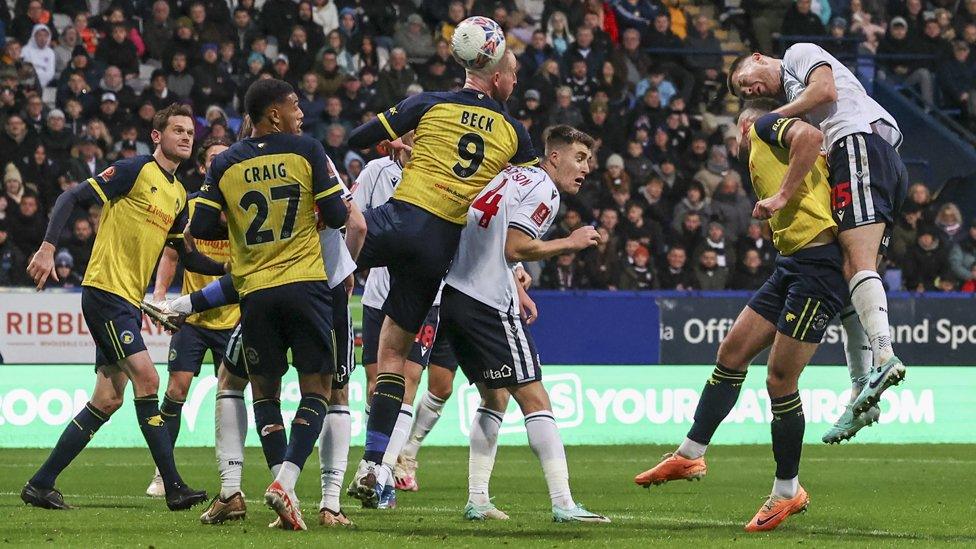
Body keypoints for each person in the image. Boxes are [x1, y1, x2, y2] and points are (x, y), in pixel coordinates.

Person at [634, 102, 874, 531]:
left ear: (743, 125)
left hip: (817, 267)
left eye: (734, 132)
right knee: (731, 352)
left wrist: (781, 194)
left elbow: (811, 135)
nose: (735, 143)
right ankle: (690, 455)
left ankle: (787, 491)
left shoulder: (764, 127)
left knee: (780, 379)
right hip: (790, 264)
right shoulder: (776, 151)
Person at [342, 23, 537, 505]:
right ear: (493, 75)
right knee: (394, 360)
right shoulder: (515, 134)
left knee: (315, 252)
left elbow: (360, 135)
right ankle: (373, 466)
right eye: (512, 73)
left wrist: (398, 139)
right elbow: (529, 196)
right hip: (439, 249)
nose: (515, 82)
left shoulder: (430, 103)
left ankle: (239, 293)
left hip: (399, 219)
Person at [20, 104, 224, 512]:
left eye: (190, 133)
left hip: (127, 300)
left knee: (109, 398)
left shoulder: (178, 195)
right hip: (105, 292)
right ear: (156, 136)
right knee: (148, 380)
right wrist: (47, 246)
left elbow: (188, 257)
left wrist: (234, 271)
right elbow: (69, 196)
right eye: (177, 130)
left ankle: (41, 483)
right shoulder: (133, 170)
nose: (186, 137)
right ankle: (173, 487)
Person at [190, 78, 349, 530]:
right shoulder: (307, 150)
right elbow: (337, 216)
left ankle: (281, 490)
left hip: (255, 292)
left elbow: (203, 225)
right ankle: (286, 483)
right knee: (318, 387)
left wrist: (242, 228)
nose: (301, 111)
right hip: (304, 284)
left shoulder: (224, 162)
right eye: (295, 104)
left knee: (264, 390)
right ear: (274, 114)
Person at [728, 42, 909, 418]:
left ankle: (884, 357)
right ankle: (863, 392)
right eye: (745, 93)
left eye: (745, 81)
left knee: (857, 264)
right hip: (871, 158)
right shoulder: (802, 107)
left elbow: (826, 89)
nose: (750, 91)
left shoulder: (798, 55)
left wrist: (770, 118)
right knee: (851, 275)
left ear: (757, 58)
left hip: (858, 144)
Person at [438, 125, 607, 523]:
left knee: (493, 397)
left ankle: (477, 499)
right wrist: (571, 241)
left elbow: (493, 238)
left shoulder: (509, 175)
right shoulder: (544, 189)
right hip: (488, 303)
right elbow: (516, 245)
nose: (586, 168)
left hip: (456, 296)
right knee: (536, 399)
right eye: (579, 158)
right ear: (554, 157)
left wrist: (516, 279)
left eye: (589, 161)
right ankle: (564, 503)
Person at [348, 133, 460, 505]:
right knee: (375, 383)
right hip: (379, 294)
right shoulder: (376, 173)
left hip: (428, 292)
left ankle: (385, 469)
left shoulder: (449, 172)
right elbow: (351, 219)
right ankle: (377, 459)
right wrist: (348, 270)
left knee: (412, 378)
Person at [141, 137, 239, 499]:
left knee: (230, 396)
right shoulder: (192, 205)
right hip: (194, 321)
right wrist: (162, 296)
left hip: (234, 320)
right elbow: (171, 255)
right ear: (204, 168)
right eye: (214, 159)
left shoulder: (244, 203)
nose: (220, 163)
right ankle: (163, 473)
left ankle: (231, 475)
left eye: (225, 158)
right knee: (175, 390)